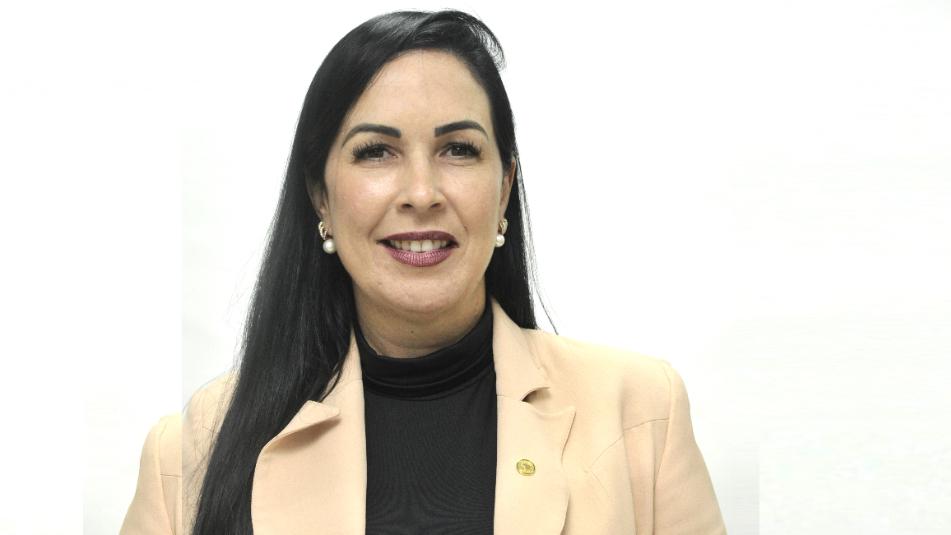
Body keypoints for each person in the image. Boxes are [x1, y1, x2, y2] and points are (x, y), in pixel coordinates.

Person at [120, 9, 726, 535]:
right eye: (375, 152)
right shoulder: (192, 450)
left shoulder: (641, 412)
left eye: (458, 149)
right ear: (320, 197)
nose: (421, 192)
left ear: (505, 186)